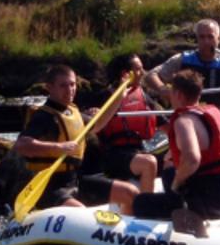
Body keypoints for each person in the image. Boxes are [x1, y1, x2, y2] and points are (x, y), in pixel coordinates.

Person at [122, 70, 220, 237]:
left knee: (141, 201)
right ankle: (178, 207)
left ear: (177, 93)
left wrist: (178, 182)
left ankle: (131, 237)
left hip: (212, 202)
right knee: (169, 172)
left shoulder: (184, 121)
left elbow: (192, 159)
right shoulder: (209, 111)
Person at [12, 64, 135, 213]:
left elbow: (98, 125)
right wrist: (60, 148)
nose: (70, 90)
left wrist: (119, 97)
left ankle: (127, 231)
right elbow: (21, 145)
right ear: (49, 87)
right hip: (50, 188)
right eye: (63, 86)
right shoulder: (44, 116)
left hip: (75, 180)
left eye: (72, 84)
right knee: (84, 215)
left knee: (130, 193)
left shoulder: (72, 111)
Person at [143, 19, 220, 108]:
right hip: (185, 113)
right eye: (202, 37)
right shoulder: (182, 59)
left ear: (219, 39)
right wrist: (163, 89)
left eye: (210, 37)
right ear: (197, 39)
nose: (206, 42)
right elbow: (151, 75)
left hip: (214, 116)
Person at [95, 54, 161, 193]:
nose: (142, 73)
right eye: (138, 69)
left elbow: (166, 125)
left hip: (136, 150)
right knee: (149, 163)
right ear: (126, 74)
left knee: (168, 160)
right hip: (113, 154)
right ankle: (145, 206)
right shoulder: (105, 96)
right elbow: (94, 125)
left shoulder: (144, 95)